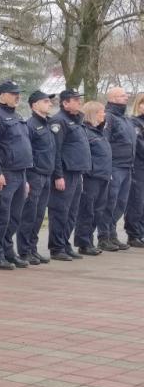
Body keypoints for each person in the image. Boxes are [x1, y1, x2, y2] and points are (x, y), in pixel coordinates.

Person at [0, 80, 34, 270]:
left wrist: (26, 179)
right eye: (13, 93)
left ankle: (8, 251)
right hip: (5, 173)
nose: (17, 96)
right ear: (2, 95)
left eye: (18, 93)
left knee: (15, 216)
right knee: (1, 215)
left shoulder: (18, 116)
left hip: (20, 173)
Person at [48, 89, 91, 261]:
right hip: (64, 173)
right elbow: (56, 151)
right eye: (75, 100)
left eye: (79, 99)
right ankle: (57, 247)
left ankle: (65, 244)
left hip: (76, 172)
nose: (79, 102)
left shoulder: (76, 120)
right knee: (60, 211)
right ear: (65, 103)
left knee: (72, 212)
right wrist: (58, 175)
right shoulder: (59, 121)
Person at [17, 90, 57, 265]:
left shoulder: (48, 124)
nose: (50, 104)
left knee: (39, 214)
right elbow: (27, 153)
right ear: (35, 105)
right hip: (34, 175)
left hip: (47, 174)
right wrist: (26, 178)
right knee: (29, 214)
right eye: (46, 101)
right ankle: (24, 251)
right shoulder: (30, 125)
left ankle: (32, 248)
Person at [97, 87, 136, 251]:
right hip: (114, 167)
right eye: (122, 95)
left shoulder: (126, 119)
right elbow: (104, 142)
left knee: (121, 203)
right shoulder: (109, 118)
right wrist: (108, 167)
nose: (126, 97)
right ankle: (103, 237)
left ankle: (112, 234)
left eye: (125, 95)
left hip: (128, 167)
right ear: (112, 98)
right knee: (110, 202)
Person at [74, 101, 112, 255]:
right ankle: (84, 242)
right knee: (87, 210)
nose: (104, 114)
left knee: (98, 210)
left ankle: (89, 240)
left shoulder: (99, 132)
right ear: (94, 113)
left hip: (103, 176)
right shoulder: (86, 132)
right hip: (91, 178)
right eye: (102, 111)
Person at [124, 93, 144, 247]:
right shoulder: (134, 123)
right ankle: (134, 234)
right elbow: (138, 145)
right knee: (136, 201)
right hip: (138, 166)